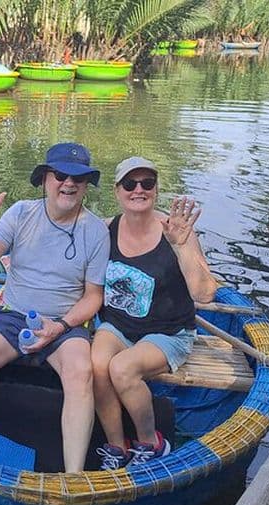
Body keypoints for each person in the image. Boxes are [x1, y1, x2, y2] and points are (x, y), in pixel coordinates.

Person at [0, 142, 110, 473]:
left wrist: (60, 326)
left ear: (86, 185)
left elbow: (93, 297)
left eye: (78, 178)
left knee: (81, 372)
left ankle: (73, 475)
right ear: (45, 179)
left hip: (65, 323)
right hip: (14, 315)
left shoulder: (96, 231)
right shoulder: (21, 213)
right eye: (60, 175)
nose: (68, 183)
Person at [91, 156, 218, 470]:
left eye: (147, 183)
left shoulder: (176, 231)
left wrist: (182, 246)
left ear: (156, 189)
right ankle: (117, 447)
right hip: (117, 326)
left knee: (122, 368)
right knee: (96, 365)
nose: (139, 190)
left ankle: (151, 443)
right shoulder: (105, 229)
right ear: (117, 191)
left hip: (168, 332)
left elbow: (204, 294)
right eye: (130, 184)